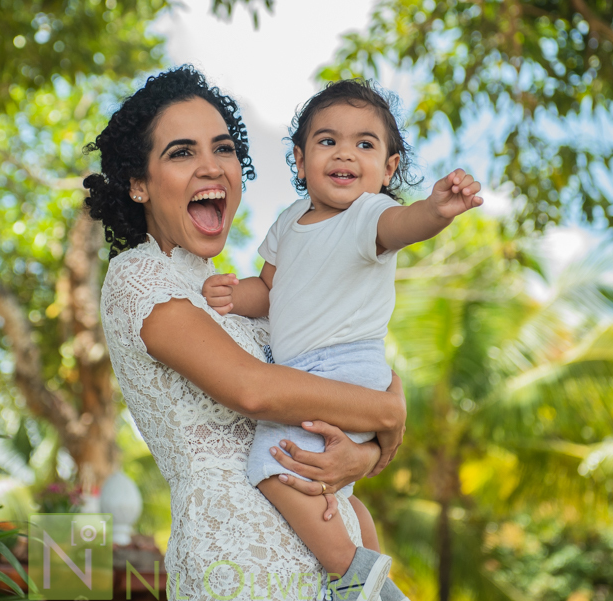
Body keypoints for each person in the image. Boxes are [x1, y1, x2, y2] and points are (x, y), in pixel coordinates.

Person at [84, 67, 411, 601]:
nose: (211, 166)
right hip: (244, 567)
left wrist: (368, 455)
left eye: (223, 148)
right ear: (138, 184)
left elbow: (341, 371)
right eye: (181, 152)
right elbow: (255, 391)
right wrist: (389, 415)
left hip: (333, 568)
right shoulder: (139, 277)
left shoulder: (239, 293)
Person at [200, 80, 483, 598]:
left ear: (388, 168)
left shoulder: (368, 215)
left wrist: (437, 211)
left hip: (344, 366)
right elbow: (268, 289)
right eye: (328, 141)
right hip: (308, 372)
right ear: (300, 158)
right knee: (337, 490)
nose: (345, 154)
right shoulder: (288, 222)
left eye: (365, 144)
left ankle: (352, 577)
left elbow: (405, 224)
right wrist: (228, 295)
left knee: (274, 462)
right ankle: (376, 572)